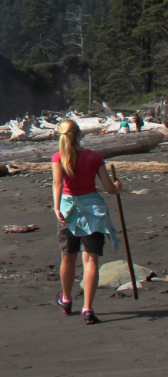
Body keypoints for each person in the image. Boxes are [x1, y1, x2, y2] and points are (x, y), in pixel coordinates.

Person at [52, 119, 121, 324]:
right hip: (93, 211)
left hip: (67, 211)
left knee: (68, 257)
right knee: (91, 260)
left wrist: (56, 207)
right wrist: (118, 186)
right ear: (79, 134)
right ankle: (88, 309)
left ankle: (66, 299)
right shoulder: (94, 156)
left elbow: (57, 183)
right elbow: (110, 188)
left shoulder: (59, 157)